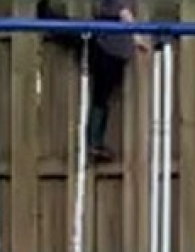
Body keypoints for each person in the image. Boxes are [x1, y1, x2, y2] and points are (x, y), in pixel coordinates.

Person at [37, 0, 148, 163]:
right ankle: (94, 142)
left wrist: (137, 37)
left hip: (107, 48)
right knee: (101, 95)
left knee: (101, 94)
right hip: (111, 50)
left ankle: (94, 142)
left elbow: (124, 14)